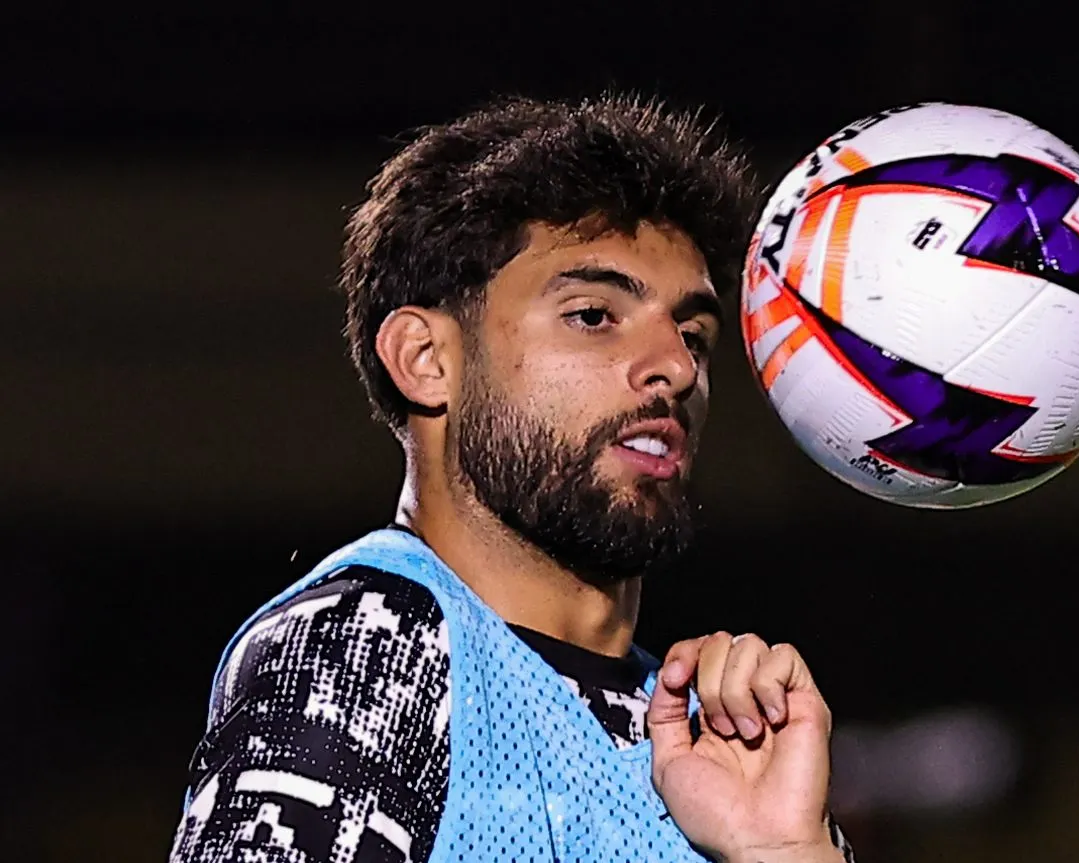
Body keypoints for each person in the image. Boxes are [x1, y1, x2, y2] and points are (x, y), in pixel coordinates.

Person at [167, 92, 856, 863]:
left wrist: (784, 848)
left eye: (693, 333)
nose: (676, 366)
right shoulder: (369, 647)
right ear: (426, 359)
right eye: (593, 315)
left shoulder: (716, 743)